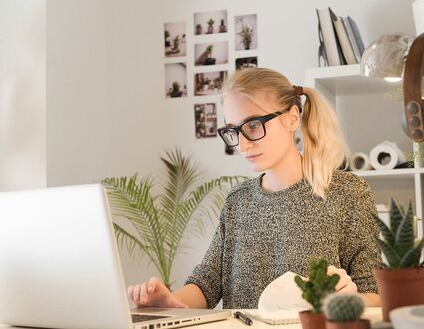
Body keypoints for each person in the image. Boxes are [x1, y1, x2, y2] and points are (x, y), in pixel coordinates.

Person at [129, 68, 381, 309]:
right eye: (233, 131)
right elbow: (206, 284)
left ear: (292, 118)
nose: (242, 144)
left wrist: (347, 298)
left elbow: (374, 293)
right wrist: (169, 301)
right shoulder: (238, 201)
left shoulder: (348, 192)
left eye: (252, 126)